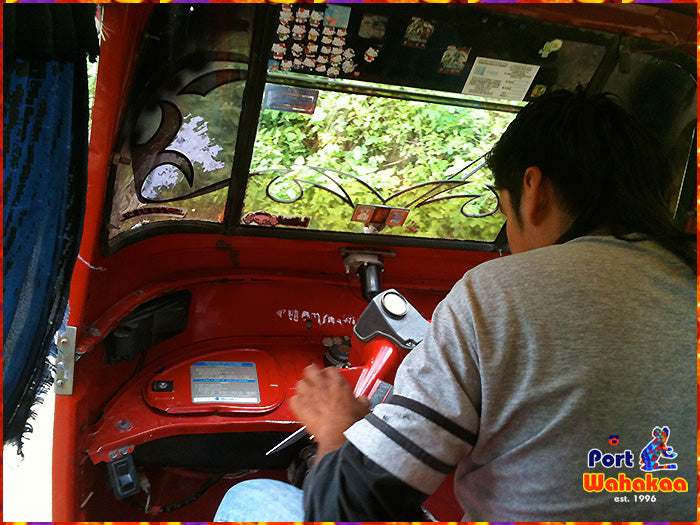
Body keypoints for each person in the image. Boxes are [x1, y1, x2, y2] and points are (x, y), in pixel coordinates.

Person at [214, 90, 696, 521]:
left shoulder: (501, 293)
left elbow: (347, 508)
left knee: (250, 499)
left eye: (504, 214)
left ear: (533, 191)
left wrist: (334, 428)